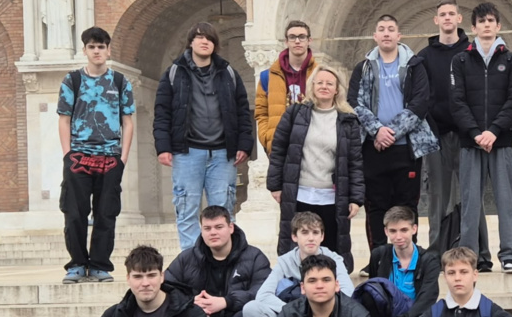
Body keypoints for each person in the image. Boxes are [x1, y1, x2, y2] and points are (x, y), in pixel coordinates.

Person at [153, 20, 255, 252]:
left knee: (224, 213)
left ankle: (224, 261)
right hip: (187, 153)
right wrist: (163, 147)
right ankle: (192, 262)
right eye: (199, 37)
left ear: (215, 44)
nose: (204, 41)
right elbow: (162, 113)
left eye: (209, 38)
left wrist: (244, 144)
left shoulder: (229, 73)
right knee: (186, 210)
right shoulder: (174, 73)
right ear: (190, 42)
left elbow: (242, 111)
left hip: (222, 154)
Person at [349, 14, 437, 255]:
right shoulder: (363, 68)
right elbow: (354, 102)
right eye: (381, 29)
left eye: (390, 29)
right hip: (373, 148)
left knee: (406, 205)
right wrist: (377, 130)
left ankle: (409, 258)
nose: (386, 33)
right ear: (375, 36)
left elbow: (420, 102)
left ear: (399, 35)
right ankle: (378, 258)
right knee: (375, 205)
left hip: (406, 148)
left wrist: (392, 132)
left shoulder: (415, 66)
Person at [449, 1, 512, 273]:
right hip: (471, 143)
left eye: (491, 21)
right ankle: (469, 257)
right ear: (473, 27)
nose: (486, 25)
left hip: (500, 142)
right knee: (470, 204)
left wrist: (493, 131)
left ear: (498, 25)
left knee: (505, 201)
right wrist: (475, 133)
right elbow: (457, 101)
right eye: (481, 21)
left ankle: (508, 255)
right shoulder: (460, 60)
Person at [266, 66, 365, 269]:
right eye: (319, 82)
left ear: (337, 89)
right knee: (298, 246)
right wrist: (275, 185)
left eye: (329, 83)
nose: (324, 87)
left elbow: (355, 162)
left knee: (329, 249)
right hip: (299, 194)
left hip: (331, 197)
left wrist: (355, 198)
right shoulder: (295, 113)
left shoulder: (348, 120)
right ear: (312, 86)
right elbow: (278, 150)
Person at [57, 26, 135, 283]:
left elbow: (128, 122)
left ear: (108, 50)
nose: (97, 51)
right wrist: (68, 155)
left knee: (106, 214)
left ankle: (100, 265)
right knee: (74, 214)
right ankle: (77, 264)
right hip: (79, 156)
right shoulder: (72, 80)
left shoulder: (120, 82)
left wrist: (122, 159)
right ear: (85, 50)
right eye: (92, 47)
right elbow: (64, 119)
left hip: (110, 157)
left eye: (101, 47)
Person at [416, 0, 483, 260]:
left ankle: (478, 252)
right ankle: (435, 252)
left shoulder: (472, 51)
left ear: (459, 18)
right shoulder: (424, 56)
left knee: (471, 196)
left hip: (468, 136)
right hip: (437, 135)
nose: (446, 18)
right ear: (436, 20)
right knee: (438, 197)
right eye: (442, 14)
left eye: (451, 13)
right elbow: (421, 95)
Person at [236, 211, 355, 317]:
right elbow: (263, 295)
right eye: (304, 232)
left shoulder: (334, 259)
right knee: (251, 309)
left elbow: (348, 293)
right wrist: (296, 312)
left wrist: (317, 310)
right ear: (294, 236)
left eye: (315, 232)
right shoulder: (285, 261)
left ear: (322, 236)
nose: (311, 238)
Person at [165, 206, 272, 317]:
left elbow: (263, 292)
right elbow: (166, 287)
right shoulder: (186, 259)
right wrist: (190, 301)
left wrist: (227, 301)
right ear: (201, 231)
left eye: (219, 227)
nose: (213, 232)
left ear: (231, 227)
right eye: (207, 228)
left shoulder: (254, 257)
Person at [360, 206, 439, 317]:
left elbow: (426, 300)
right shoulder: (378, 255)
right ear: (386, 231)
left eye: (404, 230)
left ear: (414, 229)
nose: (398, 237)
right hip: (386, 314)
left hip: (413, 316)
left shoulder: (429, 260)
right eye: (393, 231)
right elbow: (374, 291)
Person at [254, 18, 323, 157]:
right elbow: (261, 112)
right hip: (280, 146)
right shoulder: (268, 76)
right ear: (286, 41)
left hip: (313, 146)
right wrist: (268, 138)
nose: (297, 41)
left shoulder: (321, 74)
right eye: (292, 37)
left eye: (302, 37)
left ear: (309, 40)